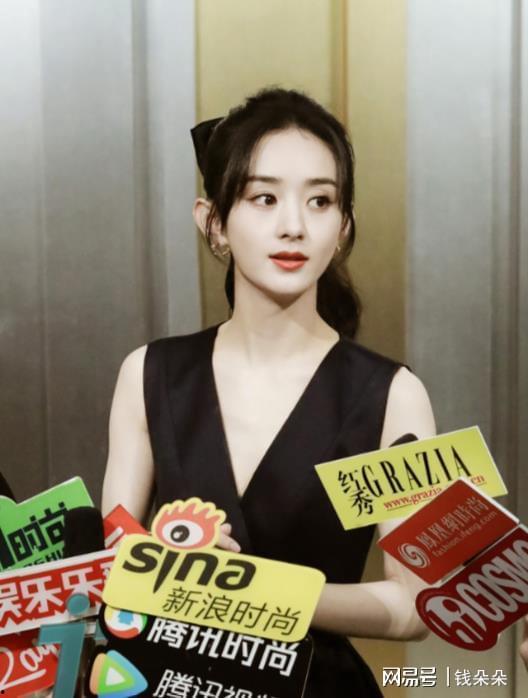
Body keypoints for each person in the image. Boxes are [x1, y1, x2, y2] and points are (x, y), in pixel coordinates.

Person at [102, 88, 435, 697]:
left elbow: (415, 603)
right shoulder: (150, 374)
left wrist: (253, 594)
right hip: (171, 683)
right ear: (214, 222)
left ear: (343, 226)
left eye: (320, 200)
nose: (293, 225)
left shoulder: (391, 395)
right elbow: (114, 563)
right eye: (264, 197)